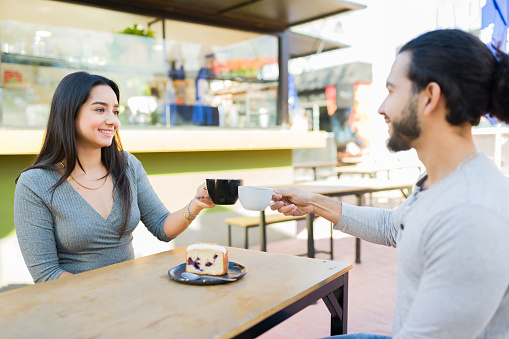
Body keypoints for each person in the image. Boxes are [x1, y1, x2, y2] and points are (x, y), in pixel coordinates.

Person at [271, 29, 509, 338]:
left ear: (430, 97)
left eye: (392, 90)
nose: (381, 107)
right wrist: (314, 202)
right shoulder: (443, 182)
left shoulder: (471, 216)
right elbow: (392, 227)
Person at [14, 71, 214, 284]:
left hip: (129, 296)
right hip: (76, 305)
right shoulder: (35, 184)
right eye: (100, 109)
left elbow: (161, 226)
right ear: (69, 113)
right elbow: (46, 274)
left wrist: (195, 205)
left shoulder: (127, 166)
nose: (113, 121)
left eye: (116, 111)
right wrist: (108, 294)